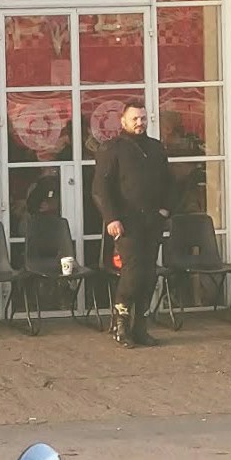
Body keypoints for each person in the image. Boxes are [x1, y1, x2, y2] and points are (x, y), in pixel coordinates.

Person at [95, 100, 172, 348]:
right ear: (123, 121)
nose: (139, 123)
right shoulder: (112, 149)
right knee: (132, 274)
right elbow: (100, 188)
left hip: (152, 222)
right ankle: (120, 326)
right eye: (134, 119)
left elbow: (169, 182)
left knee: (149, 276)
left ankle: (140, 328)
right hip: (125, 224)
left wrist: (165, 210)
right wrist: (111, 218)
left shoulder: (156, 148)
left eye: (143, 118)